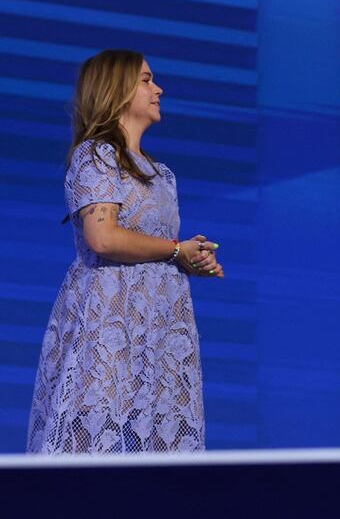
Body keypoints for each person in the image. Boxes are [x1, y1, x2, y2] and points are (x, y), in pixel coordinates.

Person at [27, 49, 223, 453]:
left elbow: (158, 251)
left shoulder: (162, 173)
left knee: (159, 448)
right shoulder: (97, 155)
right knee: (88, 437)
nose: (159, 89)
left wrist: (192, 259)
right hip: (110, 326)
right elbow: (103, 238)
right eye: (147, 80)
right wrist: (174, 250)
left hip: (158, 327)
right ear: (116, 90)